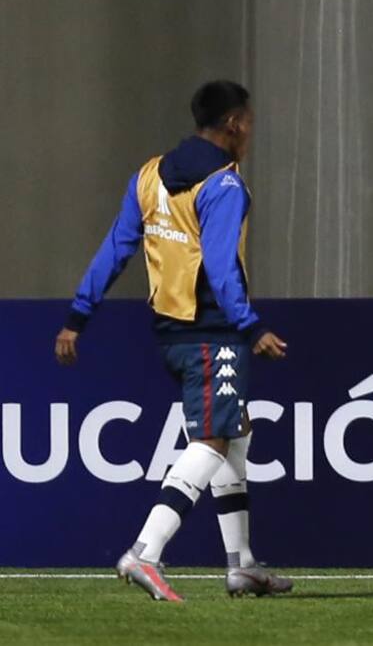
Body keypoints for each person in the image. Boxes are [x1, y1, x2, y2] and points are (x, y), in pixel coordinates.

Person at [55, 80, 292, 602]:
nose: (251, 133)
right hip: (213, 333)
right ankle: (145, 551)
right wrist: (251, 327)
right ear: (234, 124)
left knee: (236, 432)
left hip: (170, 332)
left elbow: (116, 248)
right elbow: (222, 268)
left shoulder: (149, 175)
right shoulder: (225, 186)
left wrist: (78, 316)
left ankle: (241, 565)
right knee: (210, 441)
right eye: (249, 123)